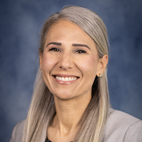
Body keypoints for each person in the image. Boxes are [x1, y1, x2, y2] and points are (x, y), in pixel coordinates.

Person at [10, 5, 142, 142]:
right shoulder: (21, 133)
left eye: (79, 51)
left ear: (101, 65)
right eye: (55, 49)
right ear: (41, 59)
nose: (65, 63)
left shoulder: (130, 133)